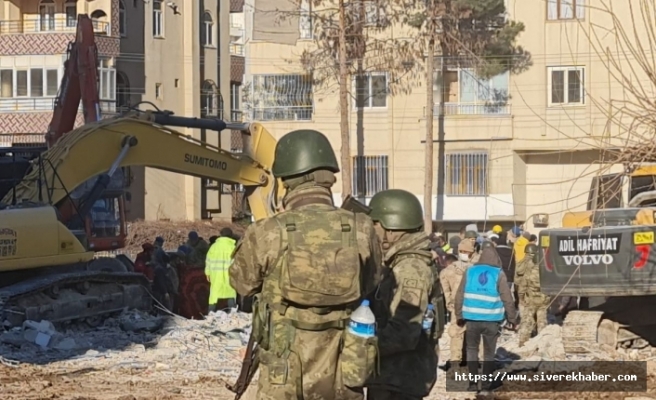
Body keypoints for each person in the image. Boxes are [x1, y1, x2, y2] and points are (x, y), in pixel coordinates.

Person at [228, 129, 383, 400]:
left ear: (287, 178)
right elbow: (371, 284)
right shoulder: (361, 227)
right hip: (343, 365)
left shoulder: (268, 231)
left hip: (284, 366)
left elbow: (242, 284)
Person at [364, 189, 445, 400]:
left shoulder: (410, 268)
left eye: (375, 224)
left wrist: (359, 349)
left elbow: (404, 332)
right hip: (394, 378)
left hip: (399, 381)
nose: (371, 230)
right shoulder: (401, 262)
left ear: (391, 228)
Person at [454, 247, 518, 393]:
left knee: (471, 350)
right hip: (492, 320)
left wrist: (459, 315)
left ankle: (472, 384)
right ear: (496, 259)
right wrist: (512, 319)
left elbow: (459, 294)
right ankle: (486, 387)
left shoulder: (470, 271)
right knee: (489, 353)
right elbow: (507, 298)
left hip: (472, 319)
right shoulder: (498, 274)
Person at [439, 239, 474, 371]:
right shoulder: (475, 269)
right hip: (473, 305)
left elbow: (445, 288)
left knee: (456, 335)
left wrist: (449, 303)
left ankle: (455, 364)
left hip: (456, 307)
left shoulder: (448, 270)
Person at [516, 243, 550, 346]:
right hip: (543, 300)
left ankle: (523, 342)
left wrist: (521, 298)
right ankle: (542, 342)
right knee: (542, 321)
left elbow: (522, 287)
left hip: (530, 300)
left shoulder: (529, 272)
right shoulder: (546, 272)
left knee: (527, 321)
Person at [206, 227, 238, 312]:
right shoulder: (233, 247)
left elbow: (208, 260)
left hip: (216, 275)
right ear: (231, 236)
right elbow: (237, 263)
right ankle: (233, 314)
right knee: (231, 292)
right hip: (229, 275)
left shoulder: (214, 247)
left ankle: (211, 313)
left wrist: (207, 273)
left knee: (214, 294)